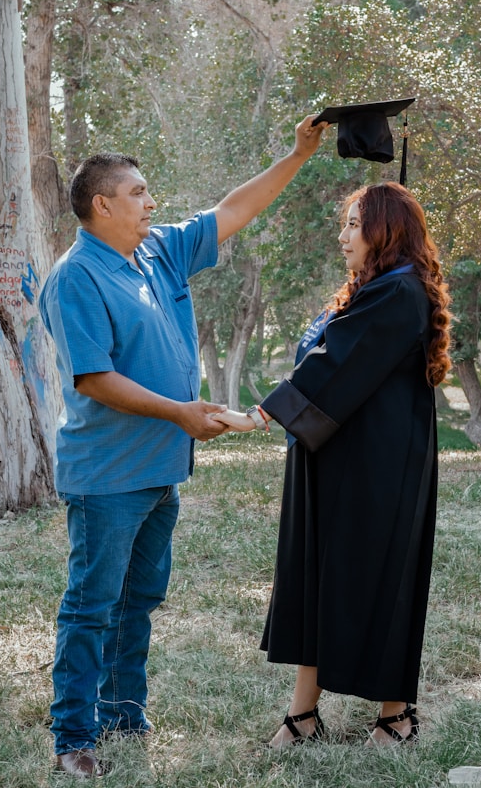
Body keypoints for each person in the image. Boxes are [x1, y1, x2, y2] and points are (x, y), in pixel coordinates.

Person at [38, 115, 328, 777]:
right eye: (138, 192)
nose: (150, 202)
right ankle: (73, 737)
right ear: (101, 204)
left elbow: (233, 209)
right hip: (107, 476)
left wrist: (298, 153)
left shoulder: (157, 251)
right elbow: (96, 377)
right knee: (91, 605)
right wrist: (181, 411)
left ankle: (124, 710)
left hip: (160, 469)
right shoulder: (77, 275)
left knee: (137, 600)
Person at [215, 181, 451, 748]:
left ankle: (397, 715)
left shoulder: (400, 292)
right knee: (316, 575)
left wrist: (262, 416)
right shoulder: (372, 289)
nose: (343, 235)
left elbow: (338, 363)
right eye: (344, 223)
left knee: (380, 577)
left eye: (353, 223)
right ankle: (304, 716)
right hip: (335, 454)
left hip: (380, 467)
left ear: (386, 230)